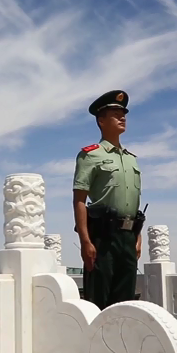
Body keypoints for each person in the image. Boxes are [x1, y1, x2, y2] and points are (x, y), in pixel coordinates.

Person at [72, 89, 144, 310]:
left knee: (125, 303)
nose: (122, 118)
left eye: (123, 114)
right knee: (98, 302)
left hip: (128, 239)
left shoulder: (131, 159)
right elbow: (79, 200)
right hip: (102, 238)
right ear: (101, 121)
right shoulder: (90, 155)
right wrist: (85, 241)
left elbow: (133, 202)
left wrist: (137, 236)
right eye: (115, 114)